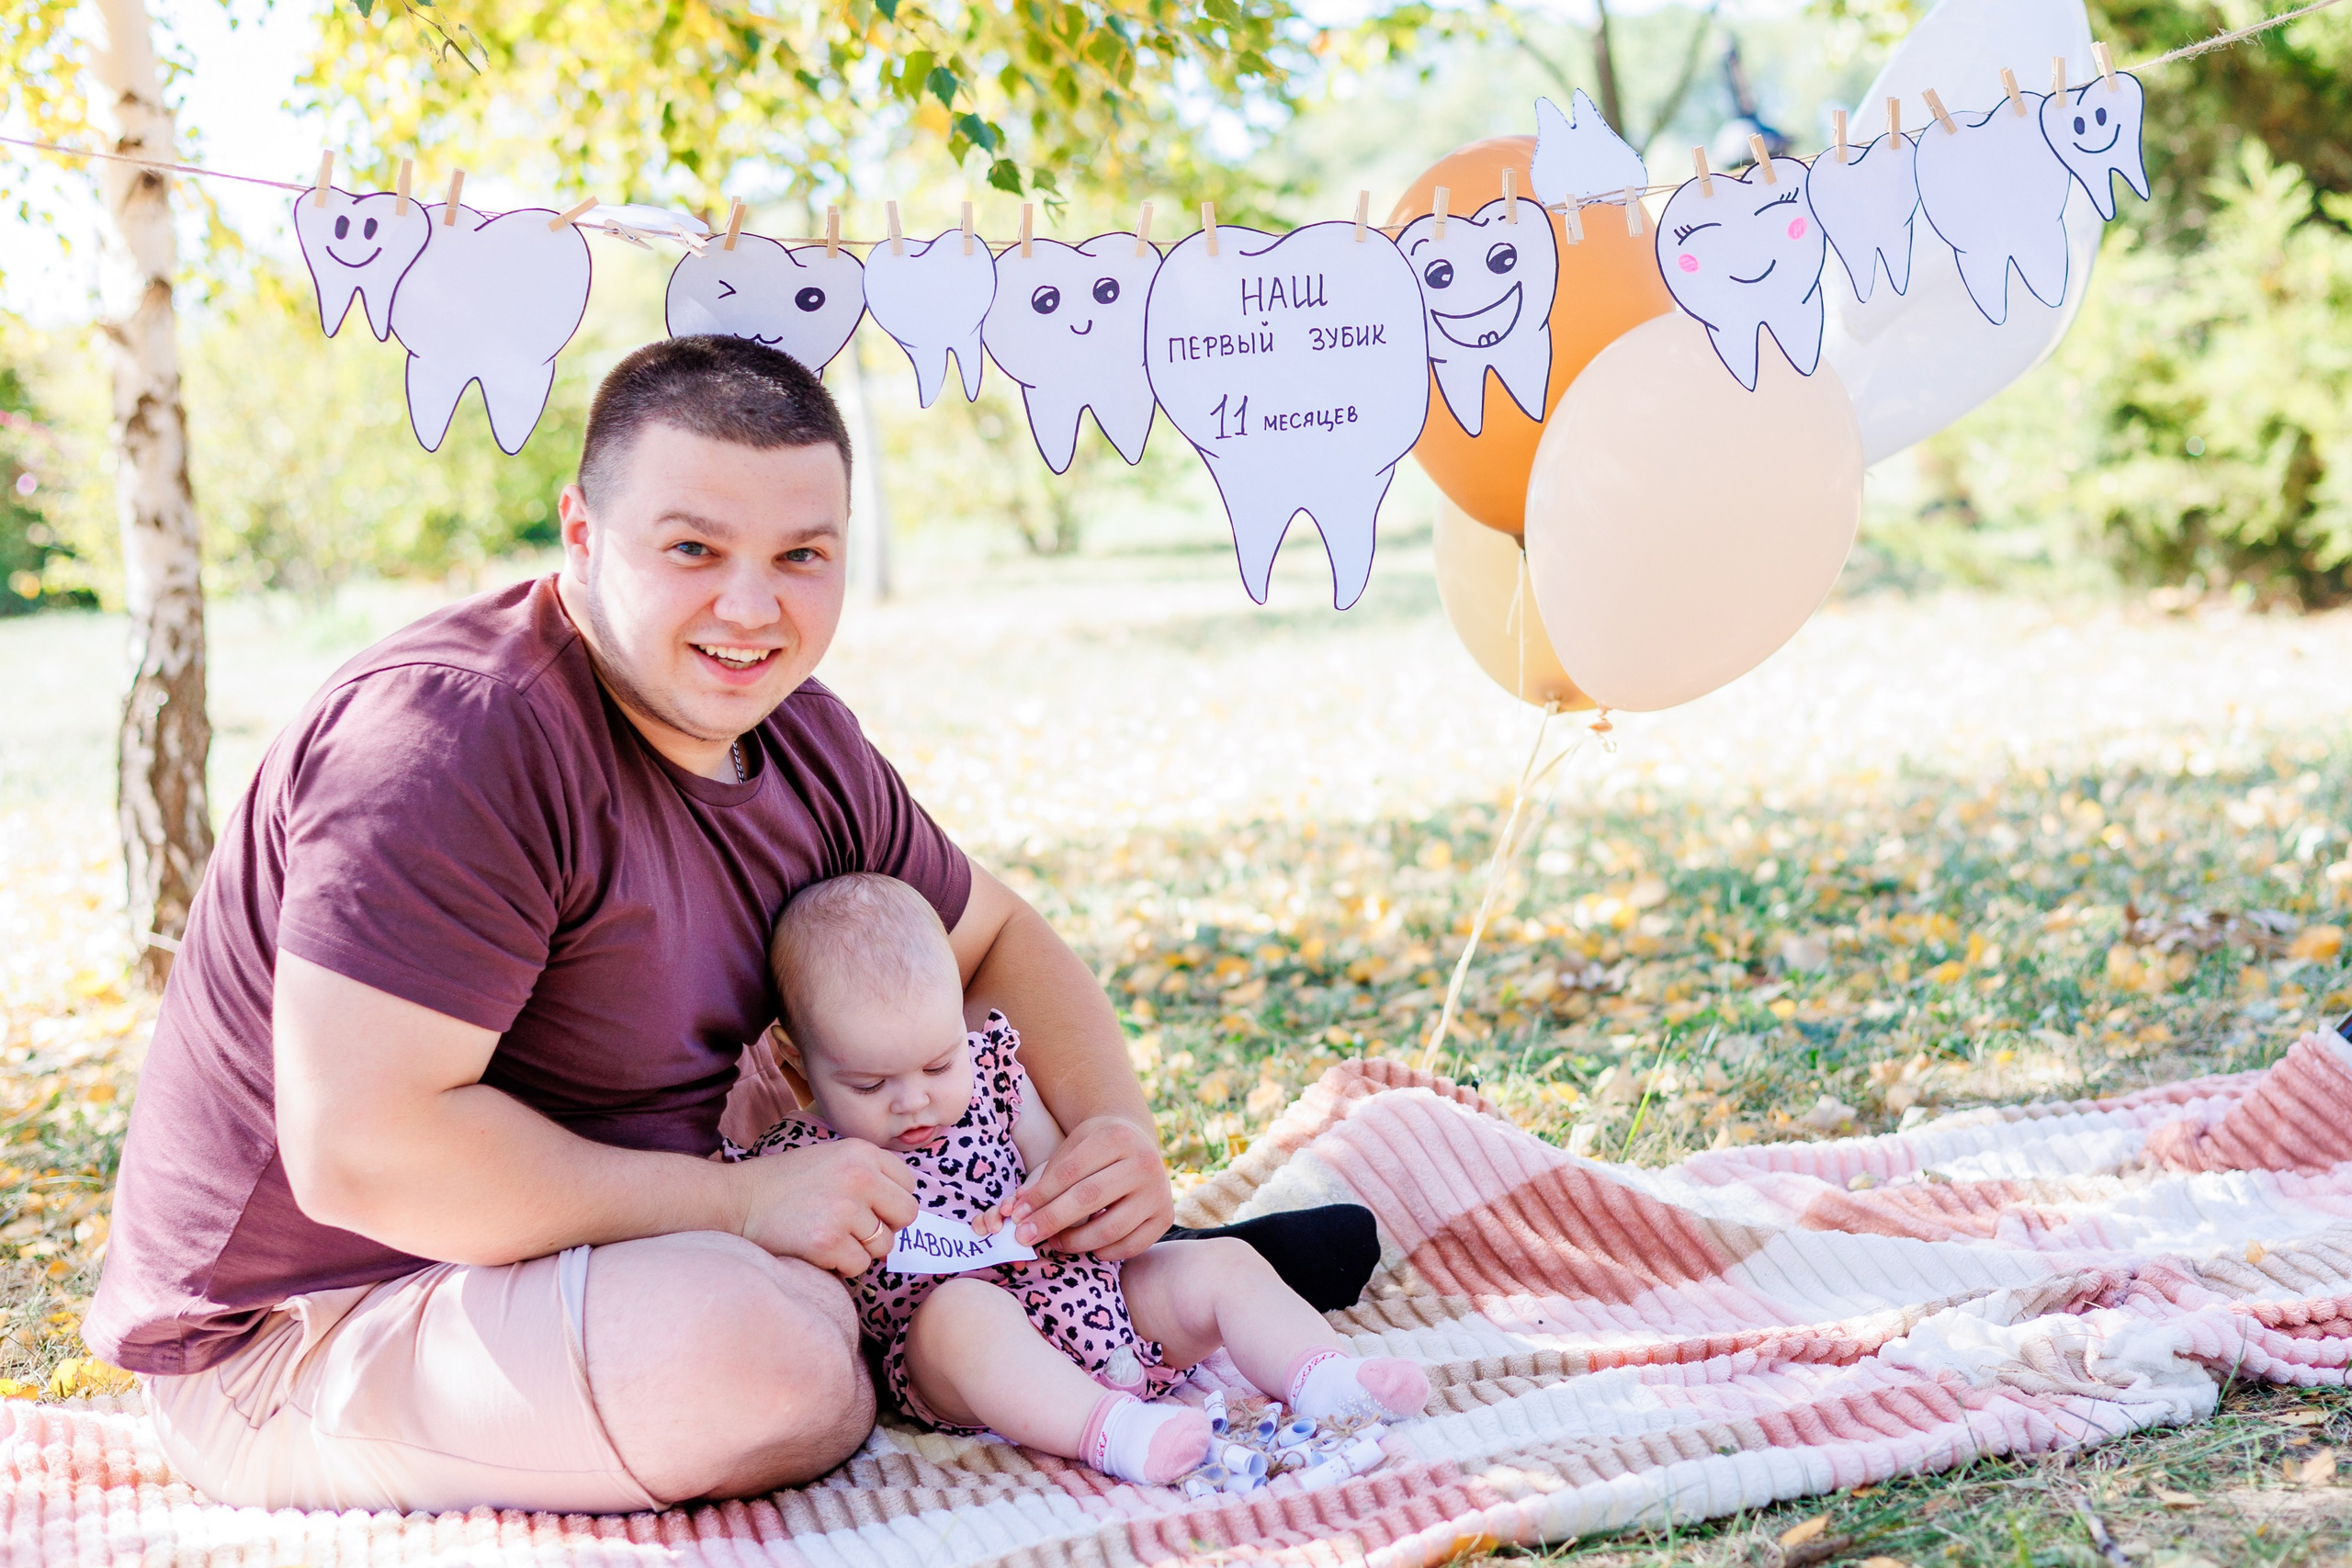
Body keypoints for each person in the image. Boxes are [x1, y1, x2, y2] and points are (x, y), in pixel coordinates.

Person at [83, 336, 1191, 1514]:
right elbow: (364, 1152)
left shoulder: (802, 737)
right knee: (773, 1362)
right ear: (580, 533)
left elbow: (999, 944)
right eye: (692, 549)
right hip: (321, 1321)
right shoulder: (450, 743)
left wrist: (1109, 1133)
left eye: (801, 555)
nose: (752, 606)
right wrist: (742, 1207)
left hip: (616, 1251)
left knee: (948, 1065)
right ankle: (942, 1324)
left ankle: (1019, 1300)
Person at [745, 874, 1428, 1483]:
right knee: (962, 1315)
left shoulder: (994, 1081)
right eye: (869, 1082)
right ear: (797, 1064)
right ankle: (1113, 1431)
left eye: (937, 1063)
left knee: (1220, 1261)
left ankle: (1326, 1376)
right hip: (959, 1348)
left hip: (1094, 1296)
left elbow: (1058, 1163)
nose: (914, 1100)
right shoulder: (806, 1157)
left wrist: (1054, 1193)